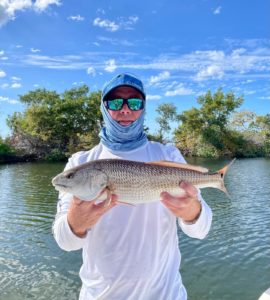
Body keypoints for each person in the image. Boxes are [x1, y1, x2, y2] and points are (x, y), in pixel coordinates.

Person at [52, 73, 212, 300]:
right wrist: (75, 223)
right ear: (104, 108)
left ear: (143, 108)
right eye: (116, 102)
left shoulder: (168, 155)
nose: (125, 110)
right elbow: (64, 242)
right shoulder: (80, 163)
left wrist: (192, 213)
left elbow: (201, 230)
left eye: (134, 102)